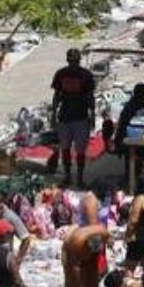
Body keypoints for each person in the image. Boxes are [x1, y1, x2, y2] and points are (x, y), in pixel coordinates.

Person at [52, 48, 99, 186]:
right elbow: (56, 96)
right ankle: (70, 176)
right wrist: (53, 114)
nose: (73, 62)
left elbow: (90, 97)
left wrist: (93, 114)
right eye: (71, 60)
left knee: (79, 151)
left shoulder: (85, 75)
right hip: (67, 117)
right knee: (67, 149)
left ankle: (78, 177)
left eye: (74, 60)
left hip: (79, 117)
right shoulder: (62, 74)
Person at [62, 220, 109, 287]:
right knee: (71, 279)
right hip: (69, 250)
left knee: (93, 278)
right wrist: (81, 286)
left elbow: (101, 255)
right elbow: (75, 269)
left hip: (90, 251)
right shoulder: (77, 243)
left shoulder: (105, 234)